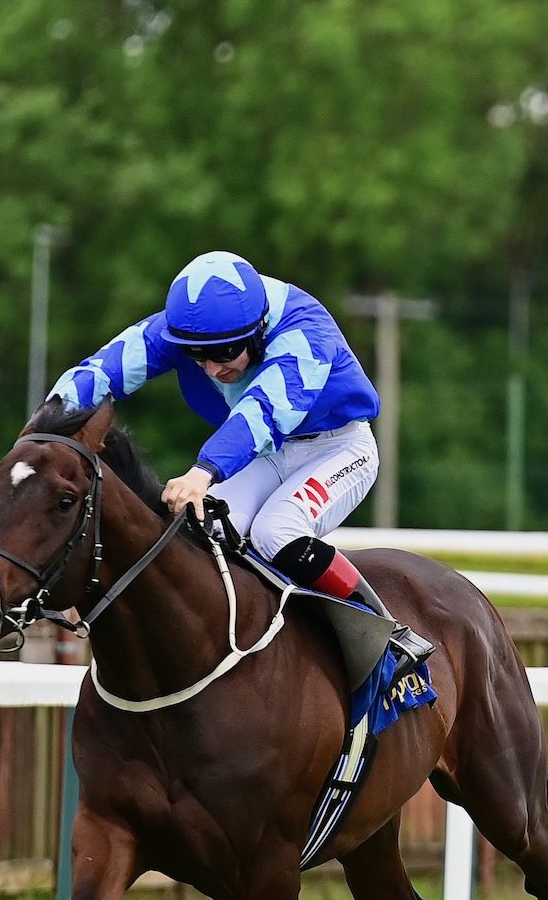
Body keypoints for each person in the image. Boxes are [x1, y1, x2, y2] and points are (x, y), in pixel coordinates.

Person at [48, 250, 432, 674]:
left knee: (276, 531)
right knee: (202, 529)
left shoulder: (305, 331)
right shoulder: (188, 328)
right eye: (197, 357)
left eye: (225, 352)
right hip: (268, 453)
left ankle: (386, 632)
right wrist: (40, 431)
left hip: (338, 449)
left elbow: (263, 411)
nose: (212, 368)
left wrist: (203, 472)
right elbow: (101, 371)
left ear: (258, 330)